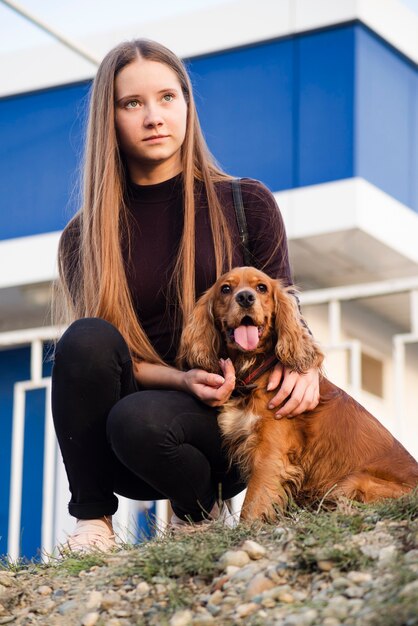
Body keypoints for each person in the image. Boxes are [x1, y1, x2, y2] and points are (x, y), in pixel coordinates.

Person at [52, 38, 320, 553]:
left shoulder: (246, 203)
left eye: (167, 98)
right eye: (133, 103)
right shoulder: (83, 236)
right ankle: (92, 523)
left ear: (187, 105)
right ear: (110, 119)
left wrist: (307, 368)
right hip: (118, 443)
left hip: (226, 424)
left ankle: (197, 512)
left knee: (142, 421)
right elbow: (111, 359)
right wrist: (180, 378)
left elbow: (287, 315)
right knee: (84, 340)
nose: (154, 116)